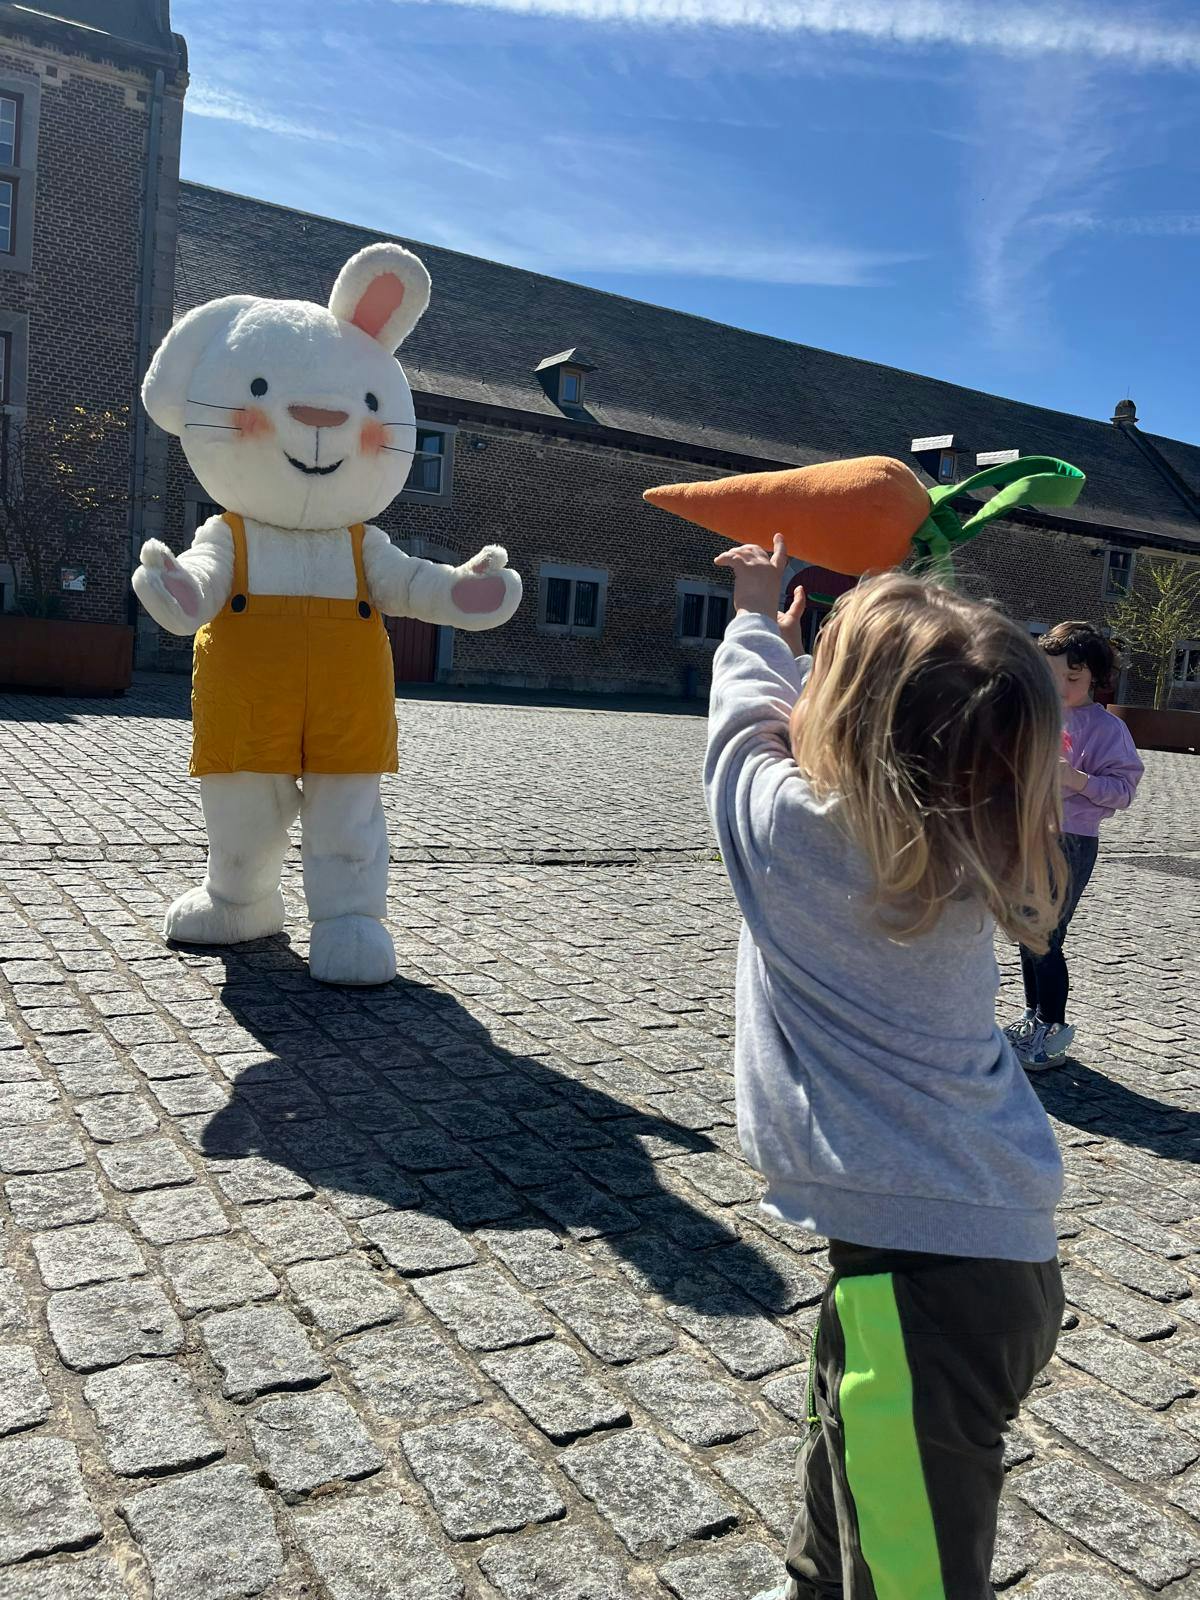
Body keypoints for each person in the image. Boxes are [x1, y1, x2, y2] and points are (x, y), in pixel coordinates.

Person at [704, 537, 1065, 1600]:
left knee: (915, 1573)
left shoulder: (794, 832)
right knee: (845, 1443)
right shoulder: (971, 833)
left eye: (820, 671)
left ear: (848, 725)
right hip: (953, 1254)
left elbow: (738, 726)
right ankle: (812, 1583)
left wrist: (753, 610)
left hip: (929, 1282)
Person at [1005, 620, 1143, 1070]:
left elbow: (1123, 790)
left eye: (1074, 677)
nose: (1061, 686)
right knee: (1027, 932)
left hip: (1071, 841)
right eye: (1052, 674)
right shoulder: (1034, 714)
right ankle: (1033, 1016)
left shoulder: (1106, 729)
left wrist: (1076, 779)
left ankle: (1053, 1025)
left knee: (1046, 935)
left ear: (1094, 678)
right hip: (1028, 833)